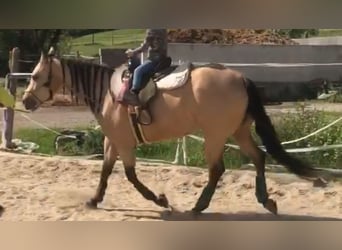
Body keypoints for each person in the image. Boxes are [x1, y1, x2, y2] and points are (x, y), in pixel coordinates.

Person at [125, 29, 168, 105]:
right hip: (163, 58)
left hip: (154, 59)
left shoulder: (152, 31)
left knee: (137, 71)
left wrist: (132, 52)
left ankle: (134, 93)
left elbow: (144, 48)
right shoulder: (163, 30)